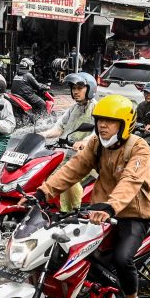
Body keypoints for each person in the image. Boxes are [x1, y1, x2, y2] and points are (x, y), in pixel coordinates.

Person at [39, 95, 150, 298]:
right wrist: (43, 192)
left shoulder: (139, 147)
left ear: (124, 124)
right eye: (100, 120)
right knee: (75, 250)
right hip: (101, 210)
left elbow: (131, 181)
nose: (103, 125)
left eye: (110, 121)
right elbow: (74, 169)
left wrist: (111, 206)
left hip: (134, 212)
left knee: (122, 258)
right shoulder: (96, 143)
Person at [42, 72, 100, 211]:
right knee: (47, 175)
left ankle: (73, 211)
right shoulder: (73, 108)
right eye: (73, 88)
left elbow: (97, 131)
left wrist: (85, 141)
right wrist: (40, 135)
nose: (75, 91)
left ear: (90, 89)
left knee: (68, 179)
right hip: (68, 154)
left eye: (79, 88)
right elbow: (59, 128)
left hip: (87, 159)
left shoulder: (96, 108)